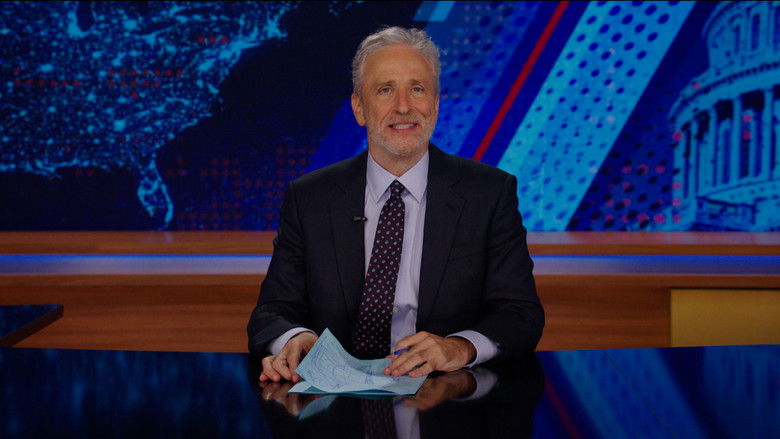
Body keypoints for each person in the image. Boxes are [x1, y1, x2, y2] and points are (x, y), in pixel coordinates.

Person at [247, 26, 543, 383]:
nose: (403, 107)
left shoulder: (489, 193)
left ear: (435, 104)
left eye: (417, 89)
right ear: (359, 108)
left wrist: (459, 347)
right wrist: (296, 338)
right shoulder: (310, 197)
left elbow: (520, 314)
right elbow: (272, 311)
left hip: (445, 395)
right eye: (385, 90)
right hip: (333, 399)